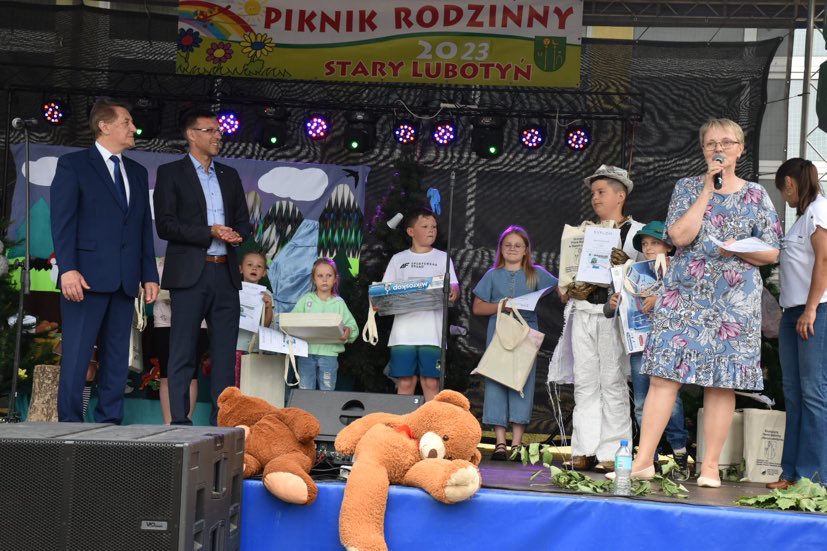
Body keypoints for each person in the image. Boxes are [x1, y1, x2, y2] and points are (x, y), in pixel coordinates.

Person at [626, 119, 781, 487]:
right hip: (684, 294)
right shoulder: (687, 187)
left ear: (740, 149)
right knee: (664, 376)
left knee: (722, 383)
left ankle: (709, 467)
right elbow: (679, 236)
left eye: (727, 142)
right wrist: (708, 190)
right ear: (703, 150)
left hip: (734, 300)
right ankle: (643, 461)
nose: (719, 148)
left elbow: (772, 251)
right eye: (712, 143)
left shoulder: (756, 195)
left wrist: (738, 250)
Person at [50, 97, 159, 423]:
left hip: (125, 279)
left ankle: (109, 423)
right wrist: (68, 269)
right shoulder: (74, 164)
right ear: (104, 125)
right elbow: (63, 222)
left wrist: (149, 274)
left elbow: (143, 227)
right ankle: (70, 425)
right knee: (78, 355)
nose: (133, 128)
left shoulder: (137, 172)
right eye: (126, 122)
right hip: (84, 278)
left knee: (117, 357)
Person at [153, 108, 249, 425]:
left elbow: (243, 222)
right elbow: (165, 225)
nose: (218, 135)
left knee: (224, 355)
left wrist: (236, 235)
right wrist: (209, 232)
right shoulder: (171, 173)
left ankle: (222, 424)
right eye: (210, 130)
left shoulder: (229, 175)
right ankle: (180, 422)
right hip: (190, 275)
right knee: (183, 352)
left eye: (219, 130)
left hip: (225, 273)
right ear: (191, 135)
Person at [556, 165, 643, 472]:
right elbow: (564, 282)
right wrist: (570, 288)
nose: (595, 198)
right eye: (593, 193)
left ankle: (613, 451)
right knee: (585, 380)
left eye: (601, 192)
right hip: (583, 312)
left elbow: (651, 279)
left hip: (613, 315)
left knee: (612, 380)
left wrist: (628, 264)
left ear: (620, 196)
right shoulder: (582, 233)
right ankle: (583, 448)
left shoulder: (638, 233)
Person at [604, 220, 689, 479]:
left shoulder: (679, 271)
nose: (649, 248)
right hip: (639, 345)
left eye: (655, 243)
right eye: (644, 244)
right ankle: (647, 458)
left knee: (671, 401)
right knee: (641, 401)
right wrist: (612, 302)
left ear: (669, 246)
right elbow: (609, 310)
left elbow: (690, 304)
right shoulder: (630, 272)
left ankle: (680, 453)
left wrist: (660, 299)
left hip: (668, 345)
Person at [767, 158, 827, 489]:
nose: (784, 196)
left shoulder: (819, 210)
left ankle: (814, 477)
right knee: (794, 393)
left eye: (782, 190)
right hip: (793, 313)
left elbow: (824, 260)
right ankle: (790, 472)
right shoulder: (802, 218)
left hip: (813, 311)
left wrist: (812, 308)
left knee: (813, 392)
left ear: (789, 183)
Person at [472, 226, 557, 460]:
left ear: (526, 249)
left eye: (518, 245)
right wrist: (502, 305)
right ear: (500, 248)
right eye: (507, 244)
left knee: (522, 383)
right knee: (496, 381)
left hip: (526, 333)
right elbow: (478, 307)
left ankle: (517, 444)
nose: (512, 249)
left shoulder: (536, 274)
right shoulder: (492, 275)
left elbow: (561, 289)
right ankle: (500, 443)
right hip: (499, 332)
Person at [382, 207, 459, 402]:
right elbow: (384, 291)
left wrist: (453, 292)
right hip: (403, 333)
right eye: (424, 226)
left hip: (432, 332)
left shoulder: (443, 257)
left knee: (431, 382)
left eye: (434, 226)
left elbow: (454, 288)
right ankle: (402, 421)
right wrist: (378, 302)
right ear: (411, 231)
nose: (431, 230)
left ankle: (430, 421)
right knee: (405, 382)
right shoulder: (398, 259)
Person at [151, 257, 209, 424]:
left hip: (196, 322)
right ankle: (168, 424)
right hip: (164, 321)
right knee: (166, 375)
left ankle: (185, 422)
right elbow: (144, 288)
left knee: (190, 375)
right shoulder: (158, 264)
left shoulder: (201, 261)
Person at [290, 258, 358, 390]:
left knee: (327, 391)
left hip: (329, 354)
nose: (324, 279)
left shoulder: (339, 303)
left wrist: (348, 330)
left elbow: (352, 326)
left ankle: (325, 405)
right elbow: (293, 320)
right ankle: (305, 405)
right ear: (314, 279)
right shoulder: (306, 300)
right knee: (305, 389)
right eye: (320, 276)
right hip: (306, 353)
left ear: (335, 279)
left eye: (329, 275)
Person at [236, 250, 274, 385]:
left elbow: (266, 324)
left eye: (259, 266)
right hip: (236, 346)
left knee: (252, 385)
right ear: (240, 269)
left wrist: (268, 307)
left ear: (264, 272)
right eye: (249, 265)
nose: (254, 268)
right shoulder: (233, 290)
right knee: (235, 384)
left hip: (256, 348)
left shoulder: (267, 294)